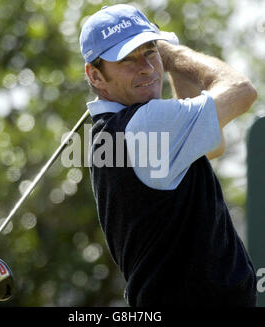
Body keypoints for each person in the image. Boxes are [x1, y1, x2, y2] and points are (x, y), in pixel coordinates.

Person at [79, 4, 258, 307]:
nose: (147, 68)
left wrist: (168, 63)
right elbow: (241, 90)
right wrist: (174, 55)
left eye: (150, 52)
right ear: (95, 75)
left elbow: (212, 146)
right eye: (127, 59)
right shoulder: (146, 124)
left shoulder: (107, 133)